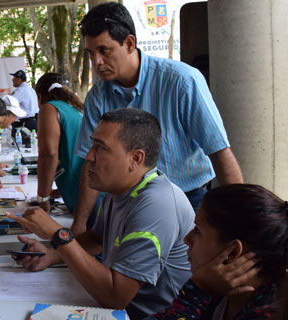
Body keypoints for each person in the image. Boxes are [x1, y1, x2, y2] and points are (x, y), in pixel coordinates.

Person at [71, 2, 243, 236]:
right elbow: (91, 162)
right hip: (125, 203)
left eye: (104, 50)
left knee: (186, 270)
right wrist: (79, 225)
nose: (97, 62)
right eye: (91, 54)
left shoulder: (182, 81)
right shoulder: (97, 96)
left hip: (186, 200)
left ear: (129, 43)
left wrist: (244, 223)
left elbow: (219, 152)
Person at [8, 109, 193, 320]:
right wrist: (52, 254)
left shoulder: (156, 205)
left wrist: (57, 235)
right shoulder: (121, 189)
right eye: (92, 144)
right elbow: (97, 239)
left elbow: (116, 297)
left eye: (101, 148)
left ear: (136, 158)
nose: (89, 157)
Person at [139, 184, 288, 320]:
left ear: (233, 252)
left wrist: (195, 293)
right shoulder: (218, 289)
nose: (187, 239)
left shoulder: (266, 314)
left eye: (198, 231)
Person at [34, 73, 86, 214]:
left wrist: (43, 199)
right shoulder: (74, 109)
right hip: (86, 190)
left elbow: (49, 155)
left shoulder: (49, 108)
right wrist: (57, 191)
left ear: (39, 97)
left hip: (80, 198)